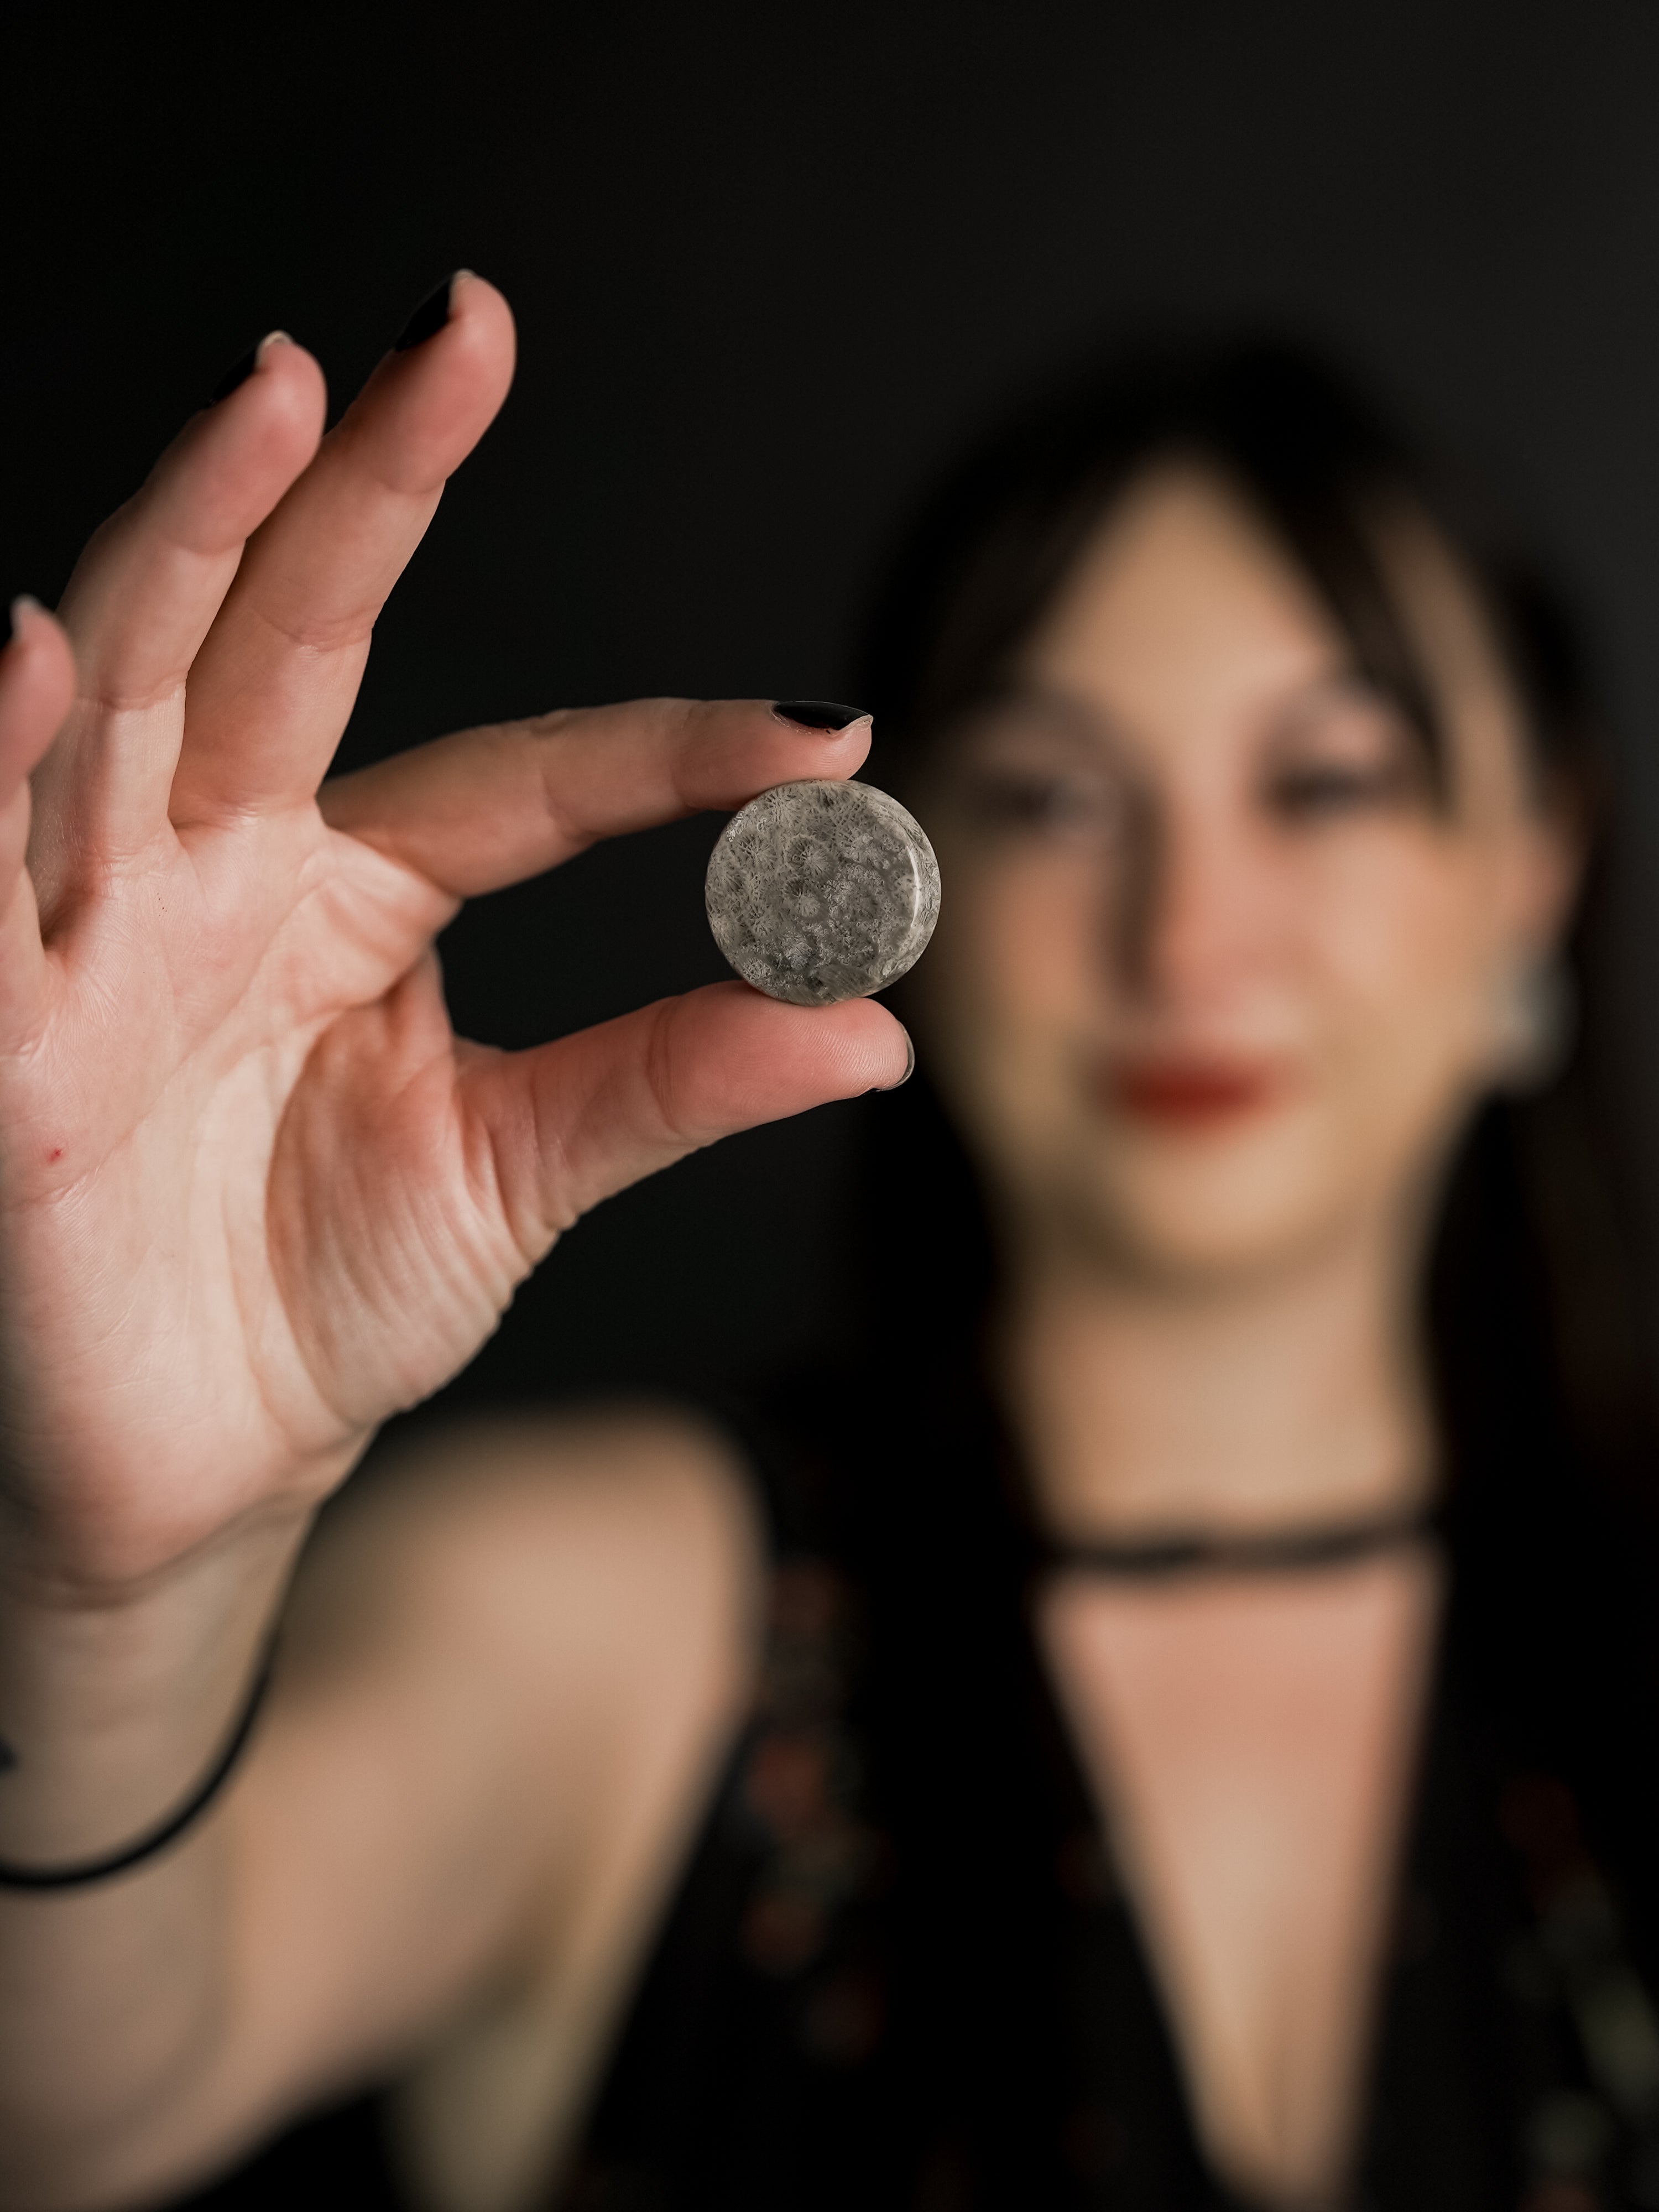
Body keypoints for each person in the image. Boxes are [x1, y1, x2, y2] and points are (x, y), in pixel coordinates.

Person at [1, 278, 1652, 2212]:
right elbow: (75, 2097)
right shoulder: (605, 1625)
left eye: (1327, 782)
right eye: (1049, 798)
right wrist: (105, 1598)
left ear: (1538, 855)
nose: (1190, 942)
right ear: (902, 874)